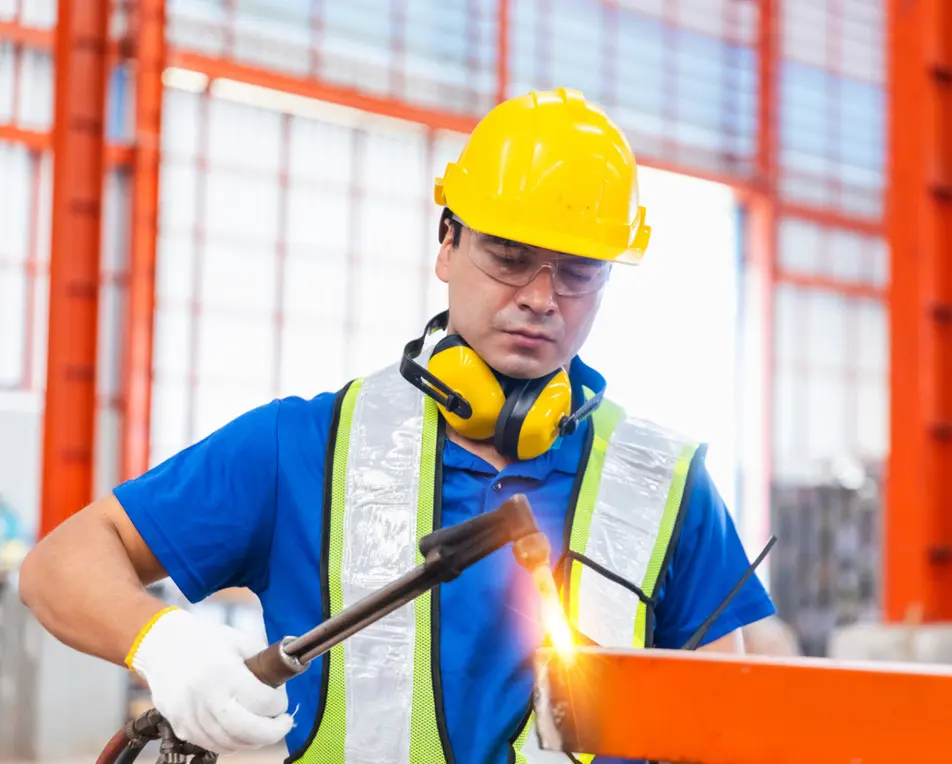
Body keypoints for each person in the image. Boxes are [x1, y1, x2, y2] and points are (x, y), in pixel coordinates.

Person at [19, 87, 777, 764]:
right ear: (446, 245)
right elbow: (61, 564)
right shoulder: (302, 449)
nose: (543, 297)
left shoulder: (665, 484)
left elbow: (729, 724)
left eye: (578, 271)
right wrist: (168, 645)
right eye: (509, 256)